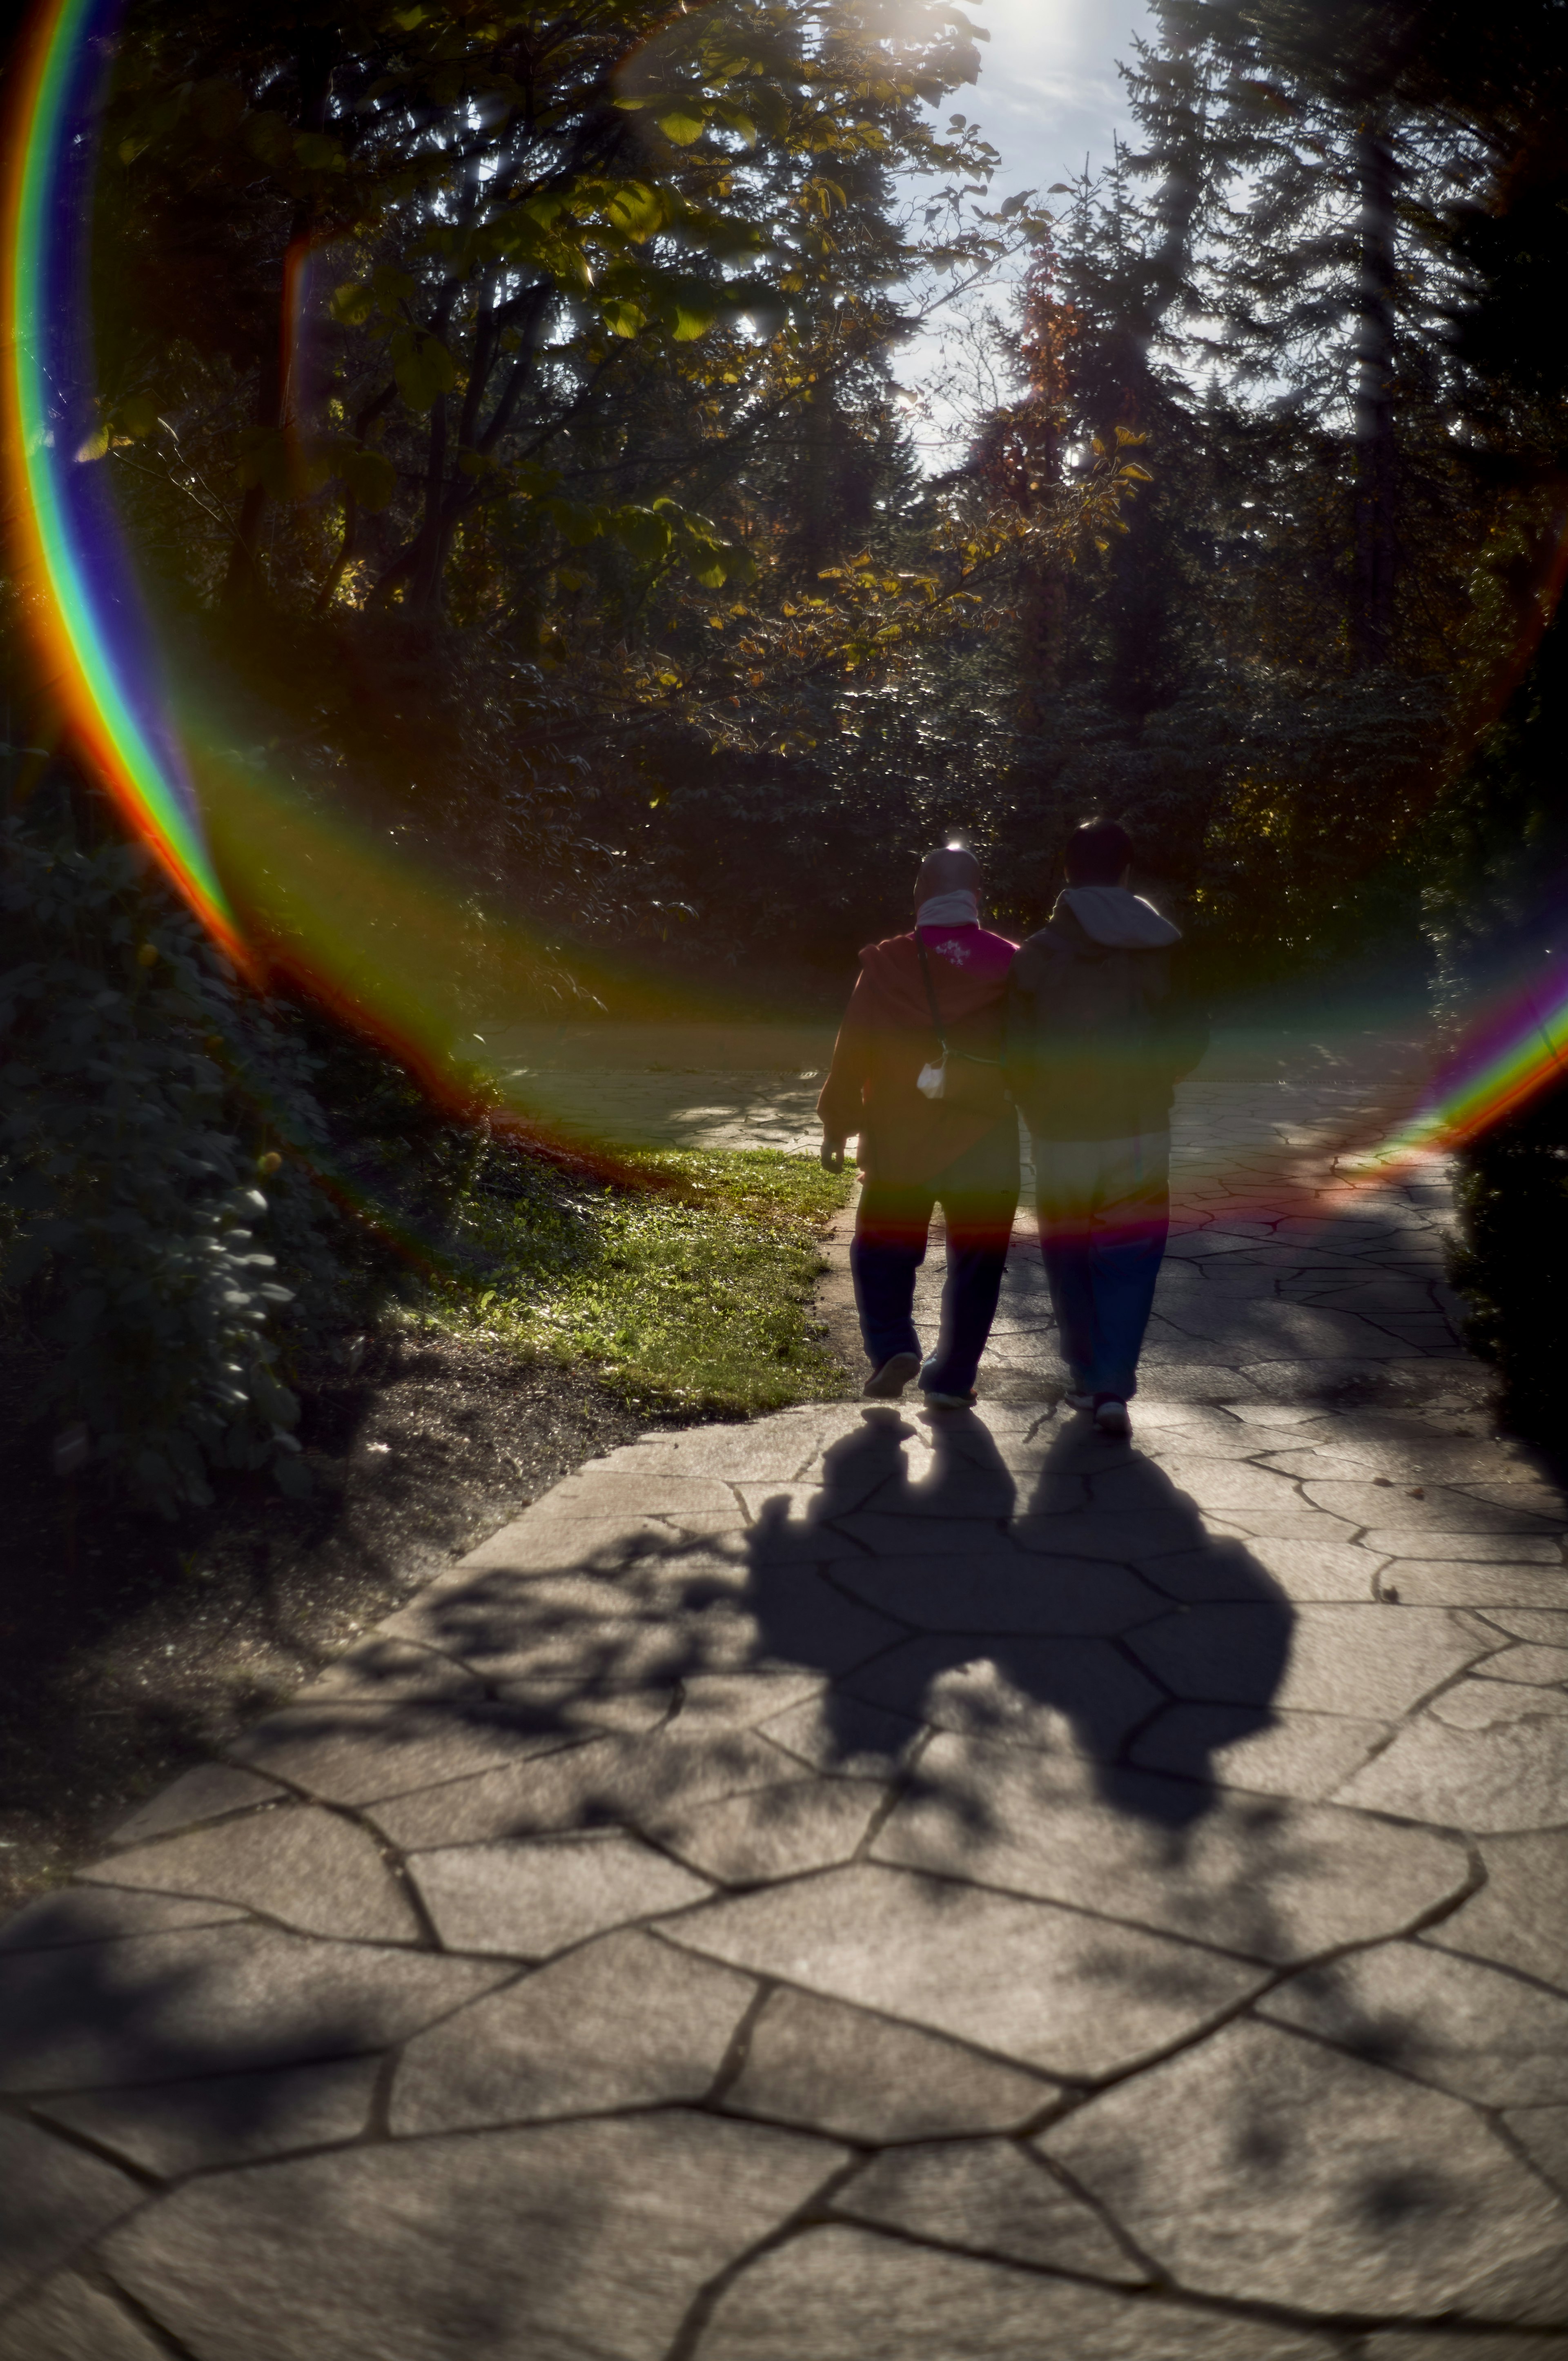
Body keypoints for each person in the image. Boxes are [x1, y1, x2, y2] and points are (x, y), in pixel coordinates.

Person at [1005, 818, 1207, 1438]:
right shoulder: (1165, 943)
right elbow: (1190, 1036)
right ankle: (1114, 1386)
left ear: (1068, 872)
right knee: (1130, 1257)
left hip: (1061, 1130)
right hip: (1140, 1127)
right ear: (1125, 872)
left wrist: (1036, 1103)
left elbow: (1014, 1046)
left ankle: (1086, 1376)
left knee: (1068, 1252)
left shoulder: (1039, 952)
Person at [818, 844, 1019, 1409]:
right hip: (985, 1136)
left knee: (881, 1248)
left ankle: (892, 1348)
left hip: (898, 1133)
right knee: (978, 1263)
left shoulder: (887, 965)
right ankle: (953, 1377)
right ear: (976, 898)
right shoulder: (1012, 963)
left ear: (918, 897)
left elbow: (852, 1050)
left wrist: (838, 1125)